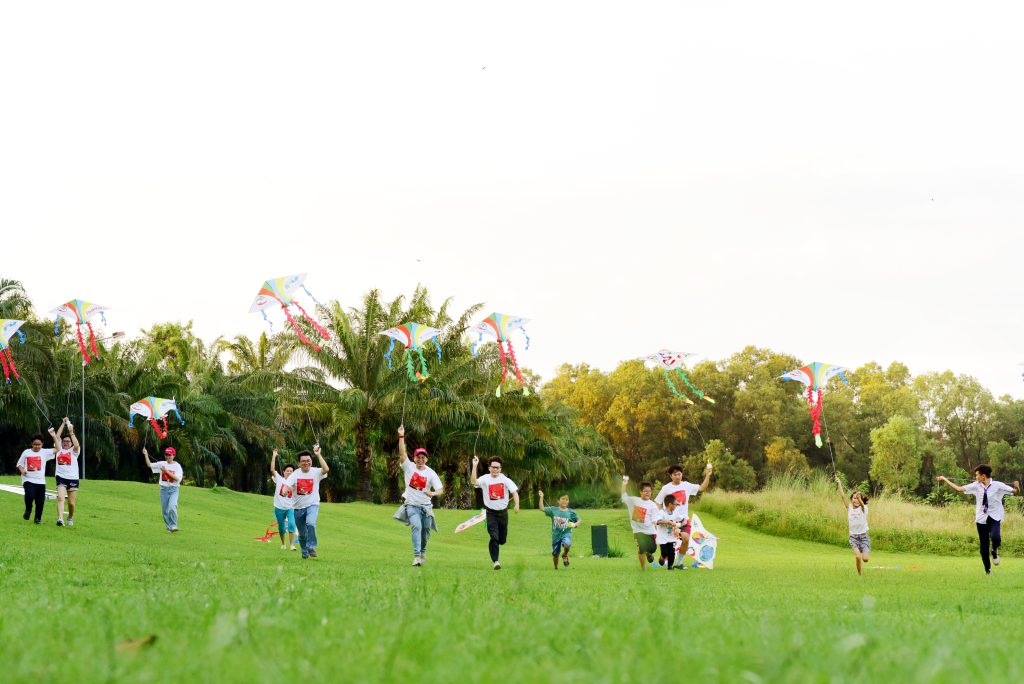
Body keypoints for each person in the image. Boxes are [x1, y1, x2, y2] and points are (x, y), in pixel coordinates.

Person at [938, 466, 1021, 574]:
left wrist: (1017, 487)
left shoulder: (998, 485)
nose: (975, 476)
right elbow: (958, 489)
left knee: (996, 537)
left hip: (995, 517)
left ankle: (994, 551)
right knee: (983, 548)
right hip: (981, 519)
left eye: (977, 475)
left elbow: (1015, 492)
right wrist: (944, 479)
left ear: (983, 476)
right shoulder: (976, 486)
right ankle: (988, 570)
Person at [396, 425, 443, 566]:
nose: (420, 459)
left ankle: (423, 552)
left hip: (426, 507)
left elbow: (440, 490)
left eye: (423, 457)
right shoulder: (409, 466)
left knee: (426, 532)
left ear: (426, 459)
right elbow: (402, 453)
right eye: (418, 457)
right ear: (414, 458)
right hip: (411, 505)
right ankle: (416, 556)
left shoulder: (431, 473)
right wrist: (401, 436)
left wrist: (432, 493)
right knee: (416, 526)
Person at [470, 454, 520, 570]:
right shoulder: (485, 479)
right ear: (489, 468)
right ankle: (495, 561)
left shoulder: (505, 480)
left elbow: (515, 493)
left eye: (497, 467)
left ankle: (499, 545)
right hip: (490, 513)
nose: (495, 469)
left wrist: (517, 505)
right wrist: (474, 465)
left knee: (502, 540)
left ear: (500, 468)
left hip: (503, 514)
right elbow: (473, 482)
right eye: (493, 467)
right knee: (494, 537)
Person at [654, 463, 713, 551]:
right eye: (675, 475)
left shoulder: (687, 485)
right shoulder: (666, 488)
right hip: (670, 522)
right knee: (667, 549)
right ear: (671, 476)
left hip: (684, 520)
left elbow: (702, 488)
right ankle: (664, 557)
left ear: (682, 474)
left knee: (686, 539)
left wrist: (708, 475)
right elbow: (658, 502)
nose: (677, 477)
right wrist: (661, 516)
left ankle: (679, 563)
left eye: (679, 474)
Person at [286, 445, 329, 559]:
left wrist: (318, 454)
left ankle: (311, 546)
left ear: (311, 461)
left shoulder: (316, 472)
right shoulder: (295, 474)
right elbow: (287, 486)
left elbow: (326, 469)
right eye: (303, 461)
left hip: (312, 505)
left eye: (308, 460)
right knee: (302, 534)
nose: (306, 463)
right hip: (298, 508)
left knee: (311, 523)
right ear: (299, 463)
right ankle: (304, 551)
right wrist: (285, 491)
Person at [16, 429, 57, 524]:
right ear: (32, 444)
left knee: (40, 501)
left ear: (42, 444)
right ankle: (28, 509)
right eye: (35, 444)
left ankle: (38, 518)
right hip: (28, 479)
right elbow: (19, 464)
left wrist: (54, 436)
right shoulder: (26, 452)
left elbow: (58, 449)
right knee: (29, 496)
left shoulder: (45, 452)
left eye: (39, 444)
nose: (37, 446)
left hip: (40, 481)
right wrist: (23, 471)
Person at [834, 475, 870, 575]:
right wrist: (839, 483)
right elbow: (842, 496)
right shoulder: (849, 508)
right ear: (851, 499)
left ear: (861, 501)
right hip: (853, 537)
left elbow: (862, 505)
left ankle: (864, 550)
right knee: (858, 557)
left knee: (865, 559)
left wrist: (860, 499)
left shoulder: (864, 508)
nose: (856, 500)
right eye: (854, 498)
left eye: (858, 499)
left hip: (863, 537)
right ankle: (859, 574)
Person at [621, 476, 659, 570]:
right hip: (638, 530)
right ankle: (643, 568)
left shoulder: (652, 505)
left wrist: (655, 522)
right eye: (645, 491)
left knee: (653, 548)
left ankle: (649, 553)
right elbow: (623, 495)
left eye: (649, 491)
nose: (647, 493)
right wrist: (624, 483)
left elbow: (655, 518)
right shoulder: (634, 500)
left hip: (650, 530)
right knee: (641, 549)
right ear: (641, 492)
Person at [142, 446, 183, 532]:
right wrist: (146, 454)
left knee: (172, 506)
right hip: (163, 489)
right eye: (166, 454)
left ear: (173, 455)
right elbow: (149, 465)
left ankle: (174, 525)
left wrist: (166, 471)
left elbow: (177, 479)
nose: (167, 456)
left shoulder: (177, 466)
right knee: (165, 511)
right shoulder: (162, 464)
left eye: (169, 455)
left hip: (174, 489)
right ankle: (169, 528)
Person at [538, 490, 580, 569]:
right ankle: (556, 568)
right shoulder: (553, 510)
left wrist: (575, 524)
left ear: (568, 501)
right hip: (556, 536)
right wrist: (541, 497)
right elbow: (541, 508)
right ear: (558, 500)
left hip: (566, 534)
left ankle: (565, 555)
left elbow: (579, 520)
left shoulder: (570, 512)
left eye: (566, 499)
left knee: (567, 544)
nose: (565, 501)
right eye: (563, 499)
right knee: (555, 554)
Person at [52, 417, 81, 527]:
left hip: (73, 478)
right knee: (60, 498)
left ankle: (70, 517)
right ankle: (60, 519)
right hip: (61, 477)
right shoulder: (58, 449)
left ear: (71, 443)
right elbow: (57, 436)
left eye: (68, 441)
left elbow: (77, 445)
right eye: (64, 441)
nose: (65, 443)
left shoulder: (74, 451)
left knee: (71, 503)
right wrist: (63, 423)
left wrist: (71, 432)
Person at [270, 448, 298, 551]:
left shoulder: (295, 483)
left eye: (291, 471)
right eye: (288, 471)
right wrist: (274, 456)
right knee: (281, 528)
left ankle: (292, 545)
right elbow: (272, 469)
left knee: (291, 524)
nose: (289, 473)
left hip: (290, 507)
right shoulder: (279, 479)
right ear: (284, 472)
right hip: (279, 507)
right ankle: (283, 544)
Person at [653, 495, 685, 570]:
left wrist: (680, 524)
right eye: (675, 504)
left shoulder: (675, 513)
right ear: (670, 504)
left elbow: (683, 519)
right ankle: (662, 557)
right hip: (662, 537)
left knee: (672, 552)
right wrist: (668, 522)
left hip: (671, 537)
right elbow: (658, 521)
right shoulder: (661, 513)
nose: (676, 506)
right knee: (665, 552)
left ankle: (670, 567)